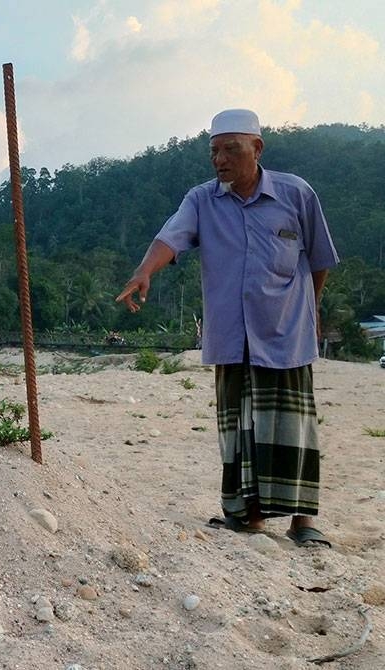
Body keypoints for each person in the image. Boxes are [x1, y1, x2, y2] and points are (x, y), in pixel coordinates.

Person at [115, 109, 339, 548]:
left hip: (285, 331)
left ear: (257, 149)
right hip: (232, 334)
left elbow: (319, 260)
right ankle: (247, 516)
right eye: (214, 151)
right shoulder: (202, 200)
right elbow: (170, 238)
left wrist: (308, 311)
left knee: (293, 427)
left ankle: (303, 520)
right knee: (238, 428)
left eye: (230, 150)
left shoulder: (296, 194)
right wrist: (145, 272)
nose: (220, 160)